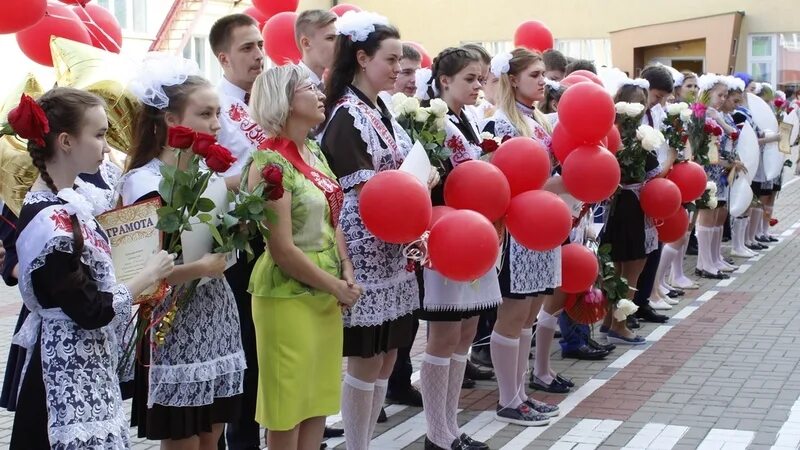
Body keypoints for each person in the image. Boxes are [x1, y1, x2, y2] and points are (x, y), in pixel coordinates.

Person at [6, 87, 174, 448]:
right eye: (98, 135)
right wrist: (147, 276)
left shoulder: (74, 198)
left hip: (90, 362)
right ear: (66, 141)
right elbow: (90, 310)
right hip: (62, 370)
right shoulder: (48, 221)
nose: (106, 145)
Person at [123, 56, 246, 450]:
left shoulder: (207, 175)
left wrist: (238, 231)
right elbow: (140, 271)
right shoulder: (142, 182)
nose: (216, 124)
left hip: (213, 310)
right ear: (171, 121)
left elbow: (215, 241)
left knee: (211, 430)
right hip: (169, 319)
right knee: (183, 434)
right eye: (205, 113)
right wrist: (199, 267)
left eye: (218, 113)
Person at [319, 12, 425, 449]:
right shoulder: (346, 114)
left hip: (393, 249)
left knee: (385, 358)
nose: (398, 68)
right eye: (391, 58)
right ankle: (357, 443)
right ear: (362, 58)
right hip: (363, 252)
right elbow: (362, 190)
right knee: (365, 358)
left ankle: (364, 439)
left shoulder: (381, 109)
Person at [246, 64, 362, 450]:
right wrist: (336, 286)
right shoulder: (269, 163)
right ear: (286, 100)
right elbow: (280, 249)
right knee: (288, 405)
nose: (320, 93)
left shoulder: (312, 150)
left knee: (316, 400)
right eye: (310, 88)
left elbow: (333, 217)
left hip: (326, 289)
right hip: (287, 294)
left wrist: (345, 269)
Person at [417, 47, 501, 450]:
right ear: (445, 80)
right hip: (447, 235)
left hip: (473, 235)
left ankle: (449, 425)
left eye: (482, 79)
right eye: (470, 78)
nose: (477, 86)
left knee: (466, 330)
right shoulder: (429, 120)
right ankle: (437, 431)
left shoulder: (465, 119)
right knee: (444, 333)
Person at [483, 47, 563, 426]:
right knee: (512, 315)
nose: (542, 80)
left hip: (543, 227)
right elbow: (502, 181)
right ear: (512, 79)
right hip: (516, 230)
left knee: (530, 314)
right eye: (534, 74)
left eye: (543, 74)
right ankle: (507, 398)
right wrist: (560, 184)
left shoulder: (542, 121)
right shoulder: (500, 124)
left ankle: (521, 392)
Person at [209, 14, 268, 450]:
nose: (259, 55)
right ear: (223, 56)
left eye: (261, 45)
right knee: (244, 347)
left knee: (267, 346)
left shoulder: (265, 102)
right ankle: (242, 439)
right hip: (235, 242)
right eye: (248, 48)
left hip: (273, 235)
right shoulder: (214, 107)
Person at [599, 80, 660, 345]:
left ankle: (609, 320)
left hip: (613, 205)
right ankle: (621, 325)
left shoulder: (608, 133)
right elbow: (655, 173)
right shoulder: (638, 139)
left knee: (615, 266)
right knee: (632, 269)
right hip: (632, 205)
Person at [631, 65, 674, 321]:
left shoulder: (655, 114)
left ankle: (644, 299)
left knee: (654, 246)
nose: (659, 102)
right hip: (637, 189)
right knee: (637, 253)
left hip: (655, 188)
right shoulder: (632, 115)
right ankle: (631, 306)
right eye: (657, 96)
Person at [296, 9, 338, 90]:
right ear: (306, 43)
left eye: (338, 39)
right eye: (330, 38)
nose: (338, 44)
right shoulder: (292, 87)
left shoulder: (329, 85)